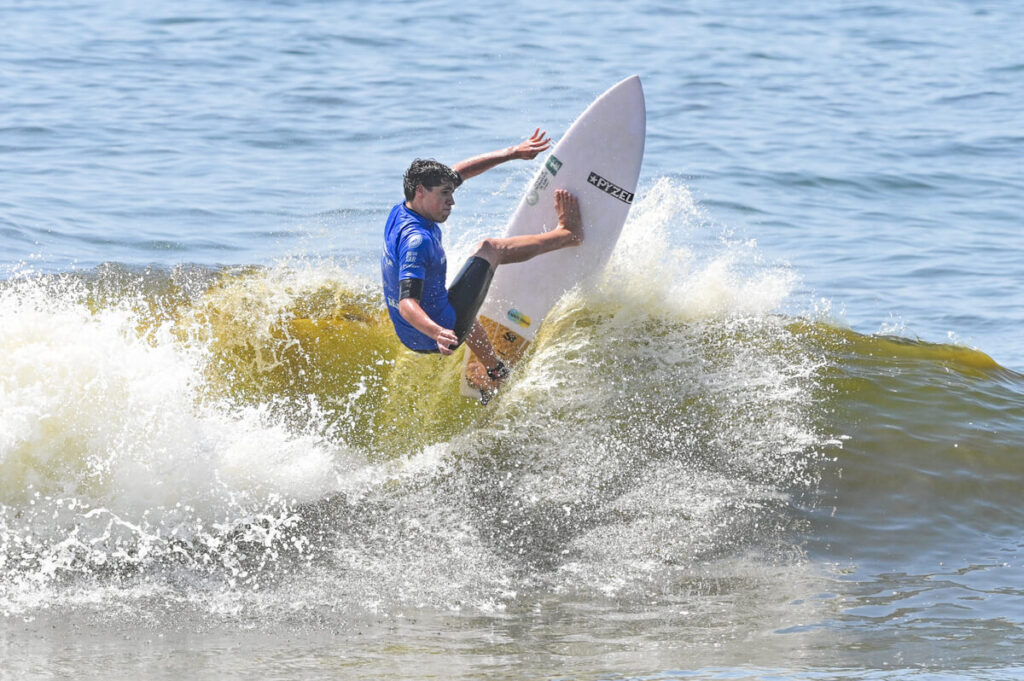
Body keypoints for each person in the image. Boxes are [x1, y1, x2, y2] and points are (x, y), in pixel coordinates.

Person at [381, 129, 583, 392]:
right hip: (438, 332)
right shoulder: (417, 241)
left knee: (458, 296)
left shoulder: (402, 210)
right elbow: (408, 304)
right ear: (421, 191)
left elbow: (459, 172)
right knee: (489, 249)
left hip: (410, 336)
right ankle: (568, 234)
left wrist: (512, 152)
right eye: (445, 194)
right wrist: (437, 333)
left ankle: (495, 369)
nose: (452, 201)